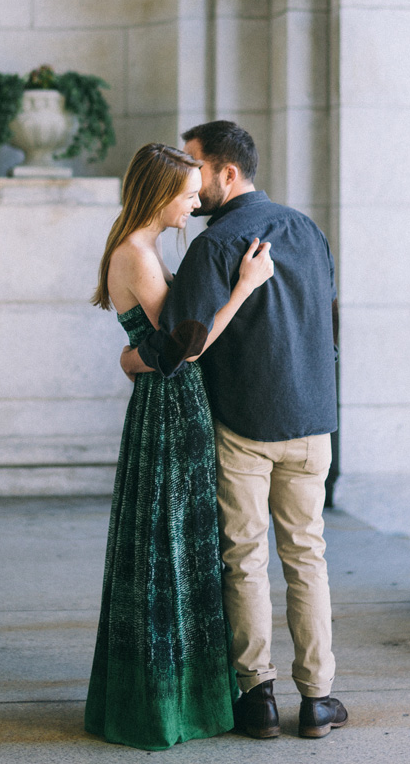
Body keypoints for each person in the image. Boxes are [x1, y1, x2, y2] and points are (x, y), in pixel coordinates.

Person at [123, 121, 348, 741]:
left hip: (243, 424)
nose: (190, 183)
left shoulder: (214, 246)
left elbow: (183, 340)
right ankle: (320, 699)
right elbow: (330, 327)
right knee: (308, 557)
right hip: (312, 423)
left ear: (227, 172)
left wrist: (132, 358)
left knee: (244, 558)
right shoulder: (308, 230)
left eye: (196, 168)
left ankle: (257, 698)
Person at [85, 142, 274, 752]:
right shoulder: (136, 255)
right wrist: (246, 286)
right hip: (169, 412)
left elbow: (152, 353)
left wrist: (131, 359)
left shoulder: (144, 249)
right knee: (170, 546)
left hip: (170, 407)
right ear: (159, 192)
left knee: (175, 544)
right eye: (188, 193)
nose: (196, 203)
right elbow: (183, 349)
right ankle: (168, 707)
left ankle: (181, 697)